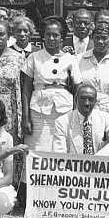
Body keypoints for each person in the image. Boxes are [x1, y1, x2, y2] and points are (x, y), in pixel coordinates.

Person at [21, 18, 76, 154]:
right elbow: (26, 89)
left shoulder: (70, 59)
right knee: (36, 148)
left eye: (55, 35)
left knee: (61, 149)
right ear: (43, 36)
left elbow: (77, 89)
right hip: (38, 110)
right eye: (48, 35)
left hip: (64, 110)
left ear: (62, 37)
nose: (51, 38)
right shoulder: (34, 57)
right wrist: (26, 118)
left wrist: (75, 116)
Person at [76, 26, 109, 131]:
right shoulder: (79, 60)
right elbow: (76, 89)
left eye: (104, 38)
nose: (100, 41)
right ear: (92, 38)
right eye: (97, 38)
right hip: (85, 110)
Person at [52, 84, 109, 156]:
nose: (86, 103)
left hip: (98, 165)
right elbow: (59, 154)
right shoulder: (62, 122)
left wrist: (95, 160)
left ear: (95, 101)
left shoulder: (105, 118)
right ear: (75, 99)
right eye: (83, 98)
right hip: (72, 167)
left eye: (90, 99)